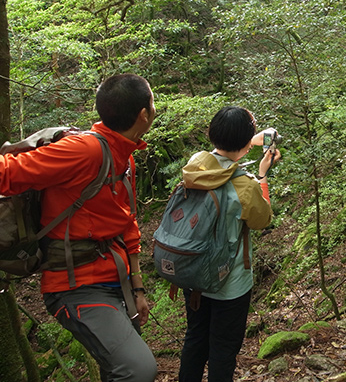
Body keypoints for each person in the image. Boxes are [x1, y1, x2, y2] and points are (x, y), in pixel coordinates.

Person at [0, 74, 158, 382]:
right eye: (153, 103)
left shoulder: (124, 157)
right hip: (75, 286)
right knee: (138, 370)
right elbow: (7, 173)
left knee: (119, 370)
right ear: (143, 114)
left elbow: (127, 223)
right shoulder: (85, 150)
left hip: (116, 281)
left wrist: (137, 287)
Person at [178, 106, 280, 382]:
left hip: (194, 275)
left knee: (195, 340)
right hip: (230, 284)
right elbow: (262, 219)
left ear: (212, 133)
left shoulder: (195, 165)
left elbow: (220, 157)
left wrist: (249, 140)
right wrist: (262, 175)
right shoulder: (244, 186)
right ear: (244, 143)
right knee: (223, 351)